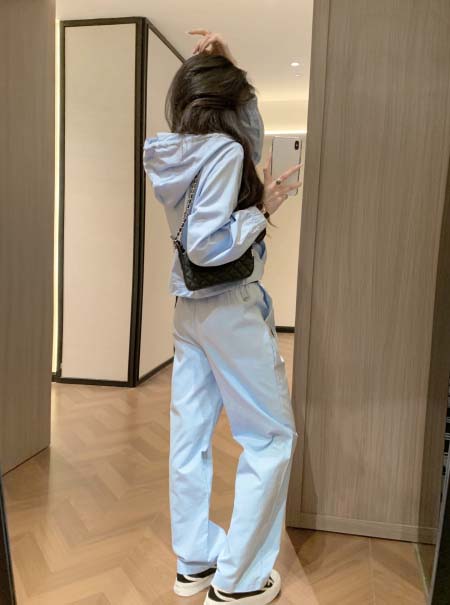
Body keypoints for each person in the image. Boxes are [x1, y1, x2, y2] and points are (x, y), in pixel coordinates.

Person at [143, 29, 302, 605]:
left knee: (189, 438)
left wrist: (228, 66)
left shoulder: (170, 152)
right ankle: (239, 583)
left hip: (188, 308)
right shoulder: (228, 153)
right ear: (230, 104)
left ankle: (196, 562)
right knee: (270, 437)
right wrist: (261, 209)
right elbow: (209, 244)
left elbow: (243, 140)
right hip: (230, 305)